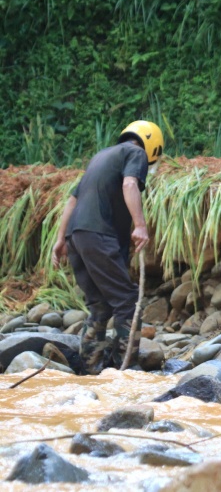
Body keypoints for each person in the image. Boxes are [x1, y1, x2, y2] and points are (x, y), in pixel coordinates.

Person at [52, 121, 164, 375]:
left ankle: (91, 370)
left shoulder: (100, 157)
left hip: (76, 237)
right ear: (151, 146)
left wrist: (60, 240)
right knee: (128, 300)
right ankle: (127, 368)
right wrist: (140, 224)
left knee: (100, 306)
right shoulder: (135, 153)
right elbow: (129, 185)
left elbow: (73, 200)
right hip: (98, 235)